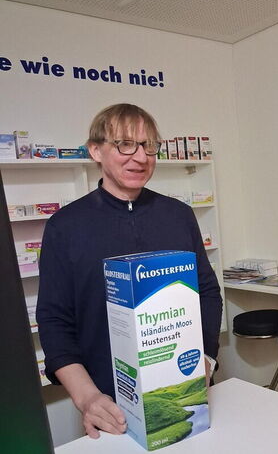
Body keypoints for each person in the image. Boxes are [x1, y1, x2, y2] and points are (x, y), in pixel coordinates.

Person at [37, 103, 222, 439]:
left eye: (148, 146)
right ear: (95, 150)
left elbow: (207, 292)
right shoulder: (65, 226)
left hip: (186, 390)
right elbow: (54, 320)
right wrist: (87, 397)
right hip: (109, 406)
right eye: (124, 144)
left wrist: (206, 358)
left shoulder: (178, 216)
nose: (140, 157)